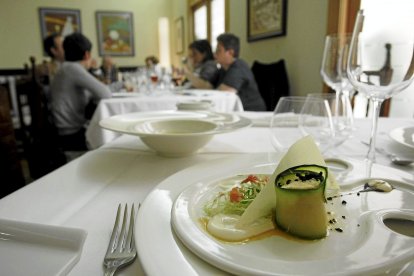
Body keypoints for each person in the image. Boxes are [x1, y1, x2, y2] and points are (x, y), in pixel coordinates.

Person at [50, 33, 112, 151]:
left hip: (64, 131)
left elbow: (91, 94)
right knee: (112, 137)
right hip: (72, 135)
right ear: (87, 54)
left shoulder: (65, 68)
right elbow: (106, 94)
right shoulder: (73, 68)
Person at [214, 33, 266, 111]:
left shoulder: (238, 67)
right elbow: (209, 87)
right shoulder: (224, 68)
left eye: (218, 50)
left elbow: (222, 94)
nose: (215, 53)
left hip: (252, 113)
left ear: (230, 53)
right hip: (238, 112)